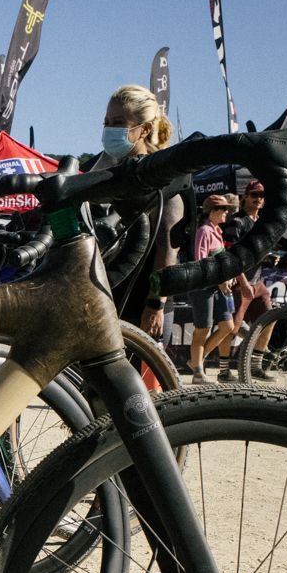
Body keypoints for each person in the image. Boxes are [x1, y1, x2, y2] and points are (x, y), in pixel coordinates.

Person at [93, 84, 180, 340]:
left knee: (139, 379)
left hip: (145, 300)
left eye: (118, 122)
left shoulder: (164, 176)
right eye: (106, 122)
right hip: (107, 294)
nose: (109, 128)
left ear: (145, 129)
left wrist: (156, 305)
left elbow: (168, 248)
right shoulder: (105, 169)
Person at [221, 179, 275, 379]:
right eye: (254, 195)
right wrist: (242, 282)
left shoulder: (261, 222)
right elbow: (229, 253)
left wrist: (270, 257)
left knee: (270, 319)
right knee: (230, 329)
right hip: (238, 282)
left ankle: (256, 366)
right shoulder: (236, 221)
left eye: (261, 196)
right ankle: (224, 371)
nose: (258, 200)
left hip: (258, 282)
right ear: (244, 197)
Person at [184, 194, 239, 378]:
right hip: (203, 288)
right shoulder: (204, 231)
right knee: (203, 329)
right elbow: (201, 263)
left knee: (228, 326)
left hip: (219, 288)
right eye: (224, 209)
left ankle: (196, 362)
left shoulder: (217, 231)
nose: (227, 213)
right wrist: (220, 280)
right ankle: (198, 373)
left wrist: (226, 278)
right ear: (213, 211)